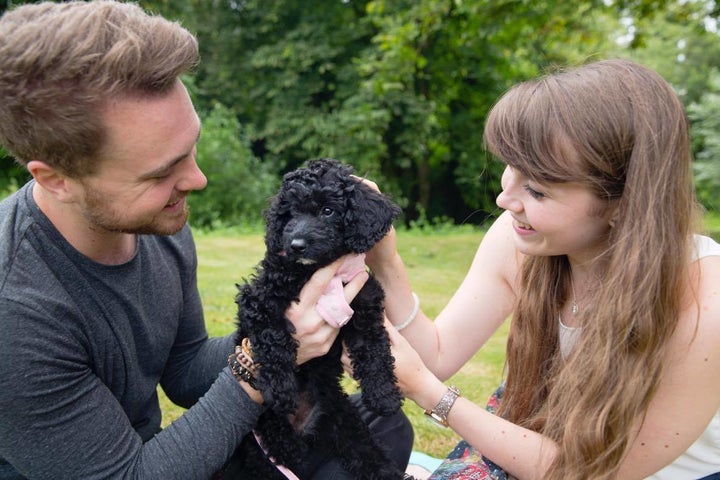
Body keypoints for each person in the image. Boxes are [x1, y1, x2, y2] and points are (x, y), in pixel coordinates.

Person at [0, 1, 412, 479]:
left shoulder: (153, 221)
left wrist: (285, 320)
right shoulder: (16, 309)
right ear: (57, 179)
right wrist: (261, 364)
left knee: (384, 427)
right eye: (161, 172)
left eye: (189, 148)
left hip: (151, 455)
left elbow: (186, 371)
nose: (196, 179)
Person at [361, 59, 720, 480]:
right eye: (511, 168)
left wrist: (428, 392)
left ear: (624, 203)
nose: (504, 198)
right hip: (548, 435)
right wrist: (384, 261)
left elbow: (593, 472)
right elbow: (436, 355)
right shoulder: (524, 239)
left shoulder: (702, 301)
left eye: (536, 188)